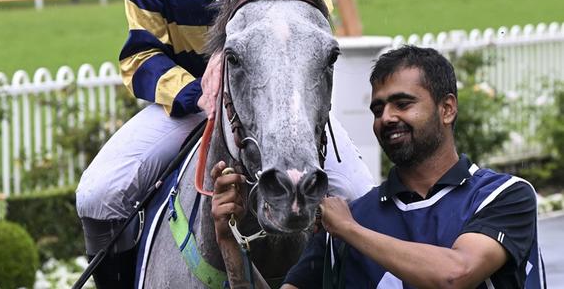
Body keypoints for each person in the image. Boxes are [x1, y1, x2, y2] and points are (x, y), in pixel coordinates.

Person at [75, 0, 373, 289]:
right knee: (97, 195)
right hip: (189, 104)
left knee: (360, 196)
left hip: (273, 94)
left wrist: (245, 51)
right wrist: (197, 92)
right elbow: (140, 56)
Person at [212, 45, 545, 288]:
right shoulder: (350, 218)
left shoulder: (502, 196)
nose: (387, 117)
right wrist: (230, 240)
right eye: (377, 109)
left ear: (447, 109)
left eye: (403, 103)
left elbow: (456, 274)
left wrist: (350, 231)